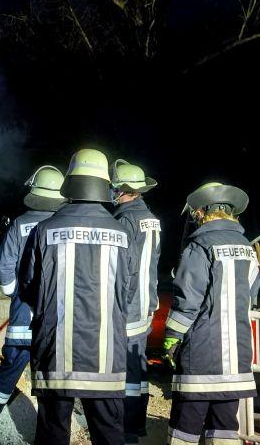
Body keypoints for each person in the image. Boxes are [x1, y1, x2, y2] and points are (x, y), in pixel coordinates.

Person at [21, 149, 133, 445]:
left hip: (55, 354)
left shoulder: (44, 230)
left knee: (52, 434)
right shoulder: (122, 234)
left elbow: (28, 287)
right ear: (104, 185)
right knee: (109, 435)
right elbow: (128, 292)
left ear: (70, 182)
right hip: (106, 358)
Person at [165, 182, 260, 445]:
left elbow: (188, 300)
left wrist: (172, 336)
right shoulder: (247, 248)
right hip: (238, 356)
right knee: (224, 427)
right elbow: (251, 295)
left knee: (185, 427)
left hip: (201, 355)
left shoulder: (199, 246)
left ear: (203, 212)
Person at [0, 165, 66, 419]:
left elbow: (3, 265)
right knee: (53, 369)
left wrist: (15, 292)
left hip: (24, 312)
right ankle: (51, 422)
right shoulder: (66, 226)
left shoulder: (20, 224)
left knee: (13, 362)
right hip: (58, 315)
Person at [111, 159, 162, 444]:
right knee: (138, 364)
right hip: (146, 303)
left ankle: (128, 428)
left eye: (115, 188)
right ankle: (137, 422)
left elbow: (122, 269)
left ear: (124, 190)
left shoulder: (124, 220)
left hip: (128, 305)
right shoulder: (150, 217)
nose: (112, 192)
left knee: (127, 368)